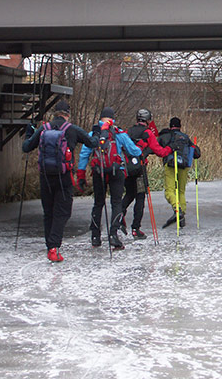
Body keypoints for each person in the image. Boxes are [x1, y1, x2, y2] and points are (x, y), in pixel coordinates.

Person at [22, 99, 98, 263]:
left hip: (45, 177)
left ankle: (51, 246)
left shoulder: (44, 129)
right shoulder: (72, 130)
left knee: (48, 212)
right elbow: (93, 143)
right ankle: (54, 247)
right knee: (63, 212)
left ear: (55, 113)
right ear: (67, 115)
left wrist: (29, 133)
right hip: (63, 177)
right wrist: (97, 132)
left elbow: (26, 147)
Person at [77, 107, 142, 250]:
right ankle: (113, 234)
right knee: (116, 202)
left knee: (98, 203)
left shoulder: (93, 134)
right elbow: (134, 151)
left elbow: (83, 155)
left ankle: (95, 236)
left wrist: (81, 174)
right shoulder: (118, 133)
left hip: (98, 171)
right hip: (116, 171)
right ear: (112, 119)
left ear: (100, 119)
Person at [120, 108, 172, 239]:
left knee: (129, 193)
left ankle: (120, 214)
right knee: (140, 197)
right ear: (148, 120)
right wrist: (170, 148)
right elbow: (159, 151)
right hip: (140, 169)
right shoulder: (148, 133)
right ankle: (135, 229)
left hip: (127, 168)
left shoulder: (127, 132)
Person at [158, 117, 200, 229]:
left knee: (169, 192)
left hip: (171, 164)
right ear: (180, 126)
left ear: (170, 126)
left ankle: (178, 210)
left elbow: (156, 147)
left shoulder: (166, 136)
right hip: (184, 166)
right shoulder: (185, 137)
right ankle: (182, 217)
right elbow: (196, 153)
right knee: (181, 191)